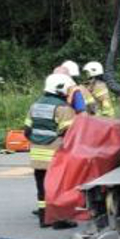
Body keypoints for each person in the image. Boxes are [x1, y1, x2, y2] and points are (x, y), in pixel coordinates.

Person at [24, 73, 77, 228]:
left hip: (37, 157)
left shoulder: (35, 105)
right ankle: (59, 220)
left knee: (41, 188)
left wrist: (38, 142)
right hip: (55, 157)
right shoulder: (63, 108)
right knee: (58, 189)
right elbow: (70, 134)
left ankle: (44, 219)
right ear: (60, 88)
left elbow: (27, 131)